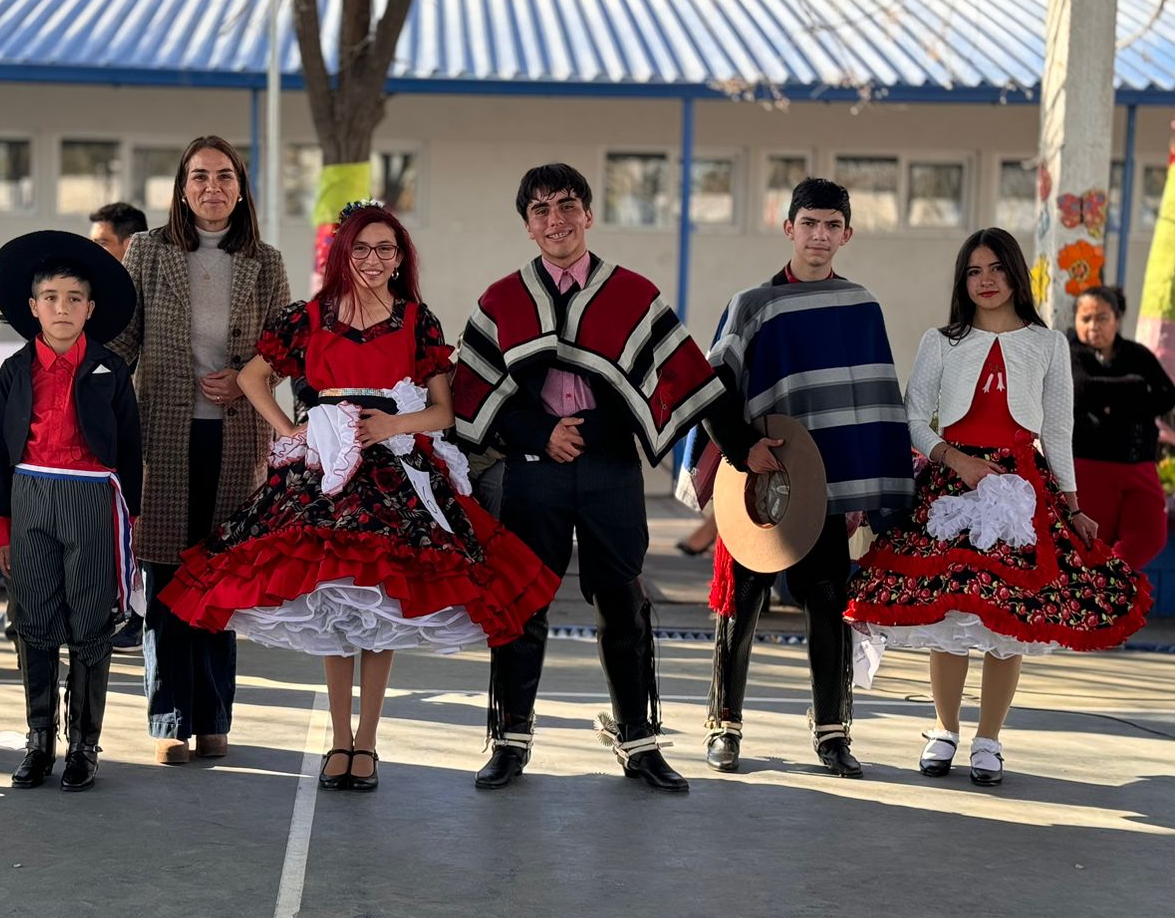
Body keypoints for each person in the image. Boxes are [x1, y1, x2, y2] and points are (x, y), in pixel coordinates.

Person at [160, 203, 560, 790]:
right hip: (323, 471)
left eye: (387, 249)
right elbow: (251, 378)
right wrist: (291, 430)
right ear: (342, 252)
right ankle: (338, 740)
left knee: (382, 611)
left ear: (401, 257)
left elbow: (443, 410)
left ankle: (366, 743)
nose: (375, 260)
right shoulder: (309, 317)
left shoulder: (418, 321)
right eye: (363, 248)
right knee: (334, 607)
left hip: (393, 471)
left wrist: (389, 427)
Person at [451, 163, 724, 791]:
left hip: (608, 469)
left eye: (567, 205)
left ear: (589, 214)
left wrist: (744, 450)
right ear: (527, 225)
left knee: (623, 600)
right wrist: (538, 433)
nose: (555, 220)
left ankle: (640, 742)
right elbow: (473, 390)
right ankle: (509, 742)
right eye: (541, 210)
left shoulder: (632, 294)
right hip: (531, 471)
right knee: (524, 602)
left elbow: (679, 378)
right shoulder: (502, 300)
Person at [847, 228, 1151, 786]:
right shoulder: (941, 340)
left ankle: (989, 741)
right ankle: (944, 731)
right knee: (952, 610)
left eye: (995, 269)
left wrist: (1073, 502)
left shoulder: (1048, 343)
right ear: (964, 281)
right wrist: (953, 459)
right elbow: (913, 417)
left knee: (1008, 617)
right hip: (951, 486)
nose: (985, 280)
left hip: (1022, 490)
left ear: (1015, 274)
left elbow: (1057, 429)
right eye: (973, 271)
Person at [695, 178, 915, 778]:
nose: (819, 236)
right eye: (809, 223)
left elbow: (871, 403)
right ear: (787, 228)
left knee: (828, 606)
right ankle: (724, 728)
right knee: (740, 609)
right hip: (758, 484)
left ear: (847, 234)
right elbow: (711, 391)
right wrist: (744, 450)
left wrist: (863, 489)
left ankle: (833, 735)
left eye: (831, 225)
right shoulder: (752, 305)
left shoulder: (860, 306)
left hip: (826, 490)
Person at [109, 135, 290, 765]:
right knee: (165, 574)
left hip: (236, 434)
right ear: (182, 189)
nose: (211, 188)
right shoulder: (148, 252)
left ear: (241, 187)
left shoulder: (265, 262)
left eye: (223, 176)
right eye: (198, 177)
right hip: (162, 429)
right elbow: (123, 339)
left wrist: (243, 376)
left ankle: (213, 717)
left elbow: (282, 349)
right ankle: (169, 723)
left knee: (220, 574)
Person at [0, 232, 142, 793]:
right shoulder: (14, 369)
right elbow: (0, 453)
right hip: (31, 499)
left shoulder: (110, 368)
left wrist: (133, 516)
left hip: (92, 500)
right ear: (32, 307)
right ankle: (38, 741)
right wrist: (1, 526)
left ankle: (83, 745)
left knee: (91, 624)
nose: (62, 308)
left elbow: (130, 447)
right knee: (35, 623)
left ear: (90, 309)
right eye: (50, 297)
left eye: (75, 298)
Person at [1070, 284, 1175, 569]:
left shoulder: (1137, 354)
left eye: (1102, 318)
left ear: (1117, 320)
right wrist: (1137, 387)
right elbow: (1083, 389)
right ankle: (1098, 599)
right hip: (1090, 466)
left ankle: (1109, 581)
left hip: (1139, 464)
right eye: (1086, 318)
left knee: (1151, 534)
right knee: (1093, 540)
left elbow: (1166, 395)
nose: (1094, 326)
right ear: (1076, 321)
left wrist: (1114, 405)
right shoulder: (1071, 352)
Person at [88, 200, 152, 651]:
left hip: (144, 424)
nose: (92, 252)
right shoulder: (95, 294)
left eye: (102, 243)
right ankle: (120, 608)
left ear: (129, 247)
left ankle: (139, 613)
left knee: (140, 519)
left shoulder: (142, 291)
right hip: (104, 425)